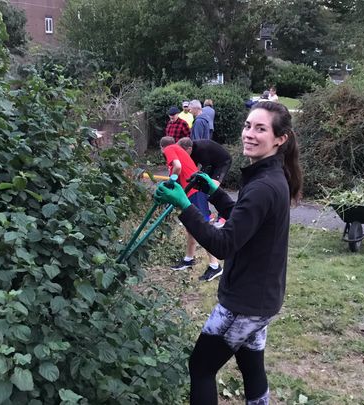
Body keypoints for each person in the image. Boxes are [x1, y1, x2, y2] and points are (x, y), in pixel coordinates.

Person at [154, 101, 303, 405]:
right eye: (248, 126)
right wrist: (215, 192)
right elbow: (243, 220)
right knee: (250, 364)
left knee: (201, 368)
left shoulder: (264, 186)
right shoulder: (270, 176)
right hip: (263, 298)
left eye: (260, 128)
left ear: (280, 138)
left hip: (244, 302)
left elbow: (223, 244)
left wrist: (183, 206)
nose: (249, 133)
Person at [160, 136, 223, 281]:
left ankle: (215, 266)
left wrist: (170, 184)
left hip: (194, 192)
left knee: (202, 228)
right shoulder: (178, 150)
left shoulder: (170, 149)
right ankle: (189, 259)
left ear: (161, 147)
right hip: (191, 192)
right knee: (190, 227)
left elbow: (177, 167)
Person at [177, 138, 232, 229]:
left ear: (189, 149)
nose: (181, 155)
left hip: (222, 163)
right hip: (212, 163)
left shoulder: (201, 149)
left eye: (182, 152)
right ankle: (207, 214)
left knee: (214, 188)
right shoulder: (191, 152)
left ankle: (223, 217)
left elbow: (206, 167)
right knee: (202, 188)